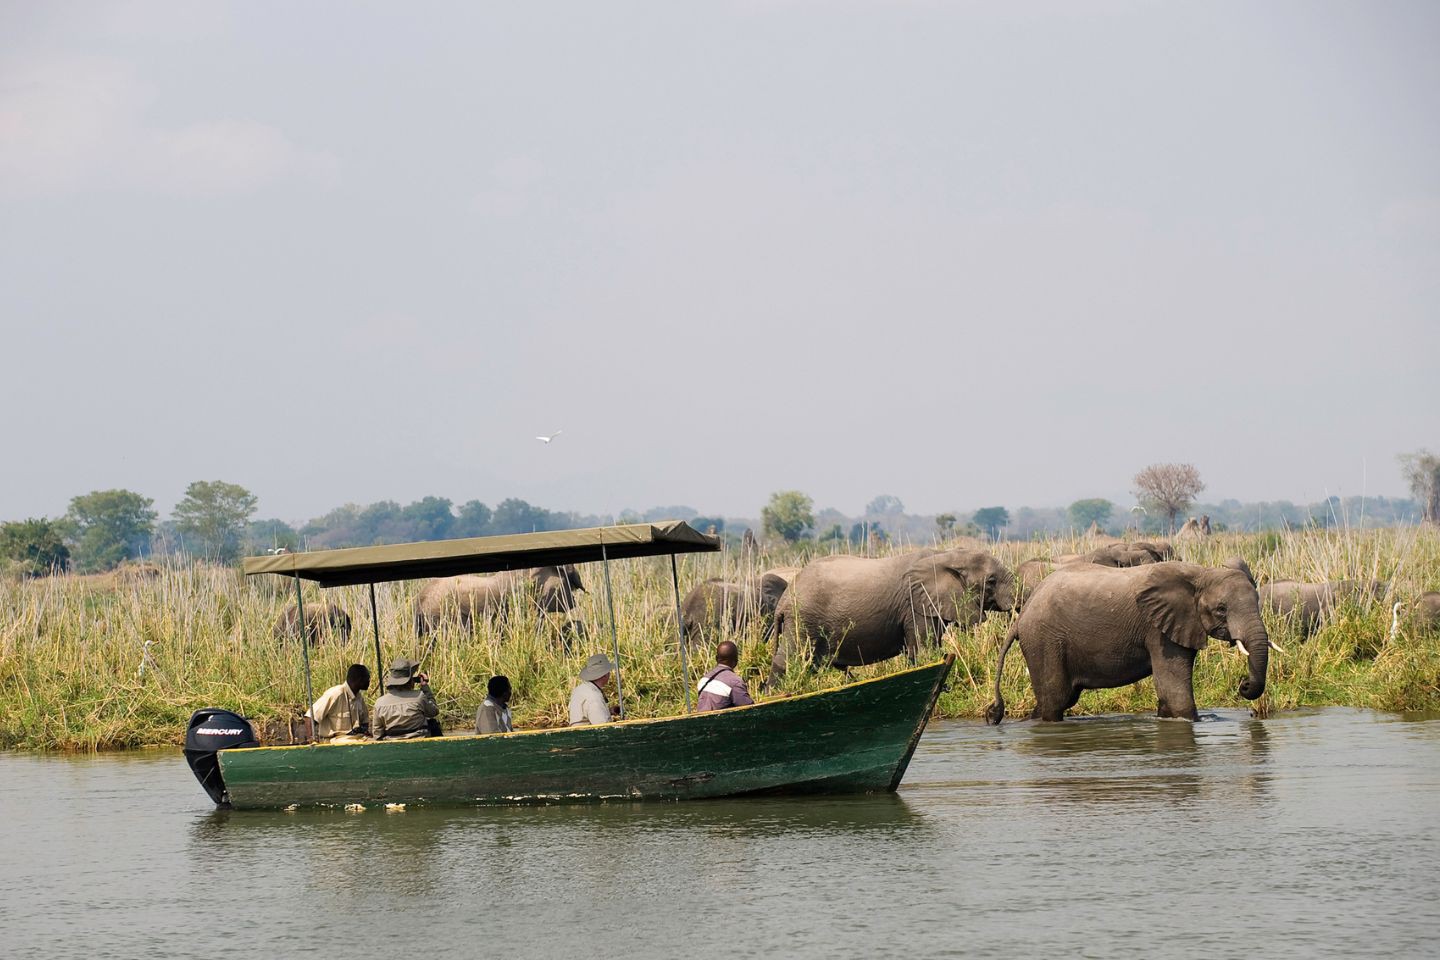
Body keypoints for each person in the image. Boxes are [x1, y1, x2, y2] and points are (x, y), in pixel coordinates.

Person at [372, 657, 441, 740]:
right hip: (420, 744)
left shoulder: (380, 703)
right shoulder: (419, 697)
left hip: (392, 747)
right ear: (410, 680)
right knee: (433, 723)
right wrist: (425, 686)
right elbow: (434, 711)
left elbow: (377, 734)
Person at [306, 663, 371, 740]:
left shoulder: (359, 697)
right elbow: (310, 717)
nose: (369, 681)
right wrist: (311, 739)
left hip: (356, 739)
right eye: (367, 678)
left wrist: (364, 731)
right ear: (359, 679)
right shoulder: (336, 693)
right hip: (335, 741)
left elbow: (365, 721)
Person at [695, 641, 754, 712]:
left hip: (701, 720)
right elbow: (750, 709)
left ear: (716, 658)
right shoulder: (735, 682)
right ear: (736, 661)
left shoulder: (703, 679)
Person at [569, 653, 617, 726]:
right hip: (588, 735)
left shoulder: (579, 689)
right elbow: (604, 727)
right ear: (605, 675)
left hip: (578, 734)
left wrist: (609, 711)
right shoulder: (594, 697)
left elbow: (588, 713)